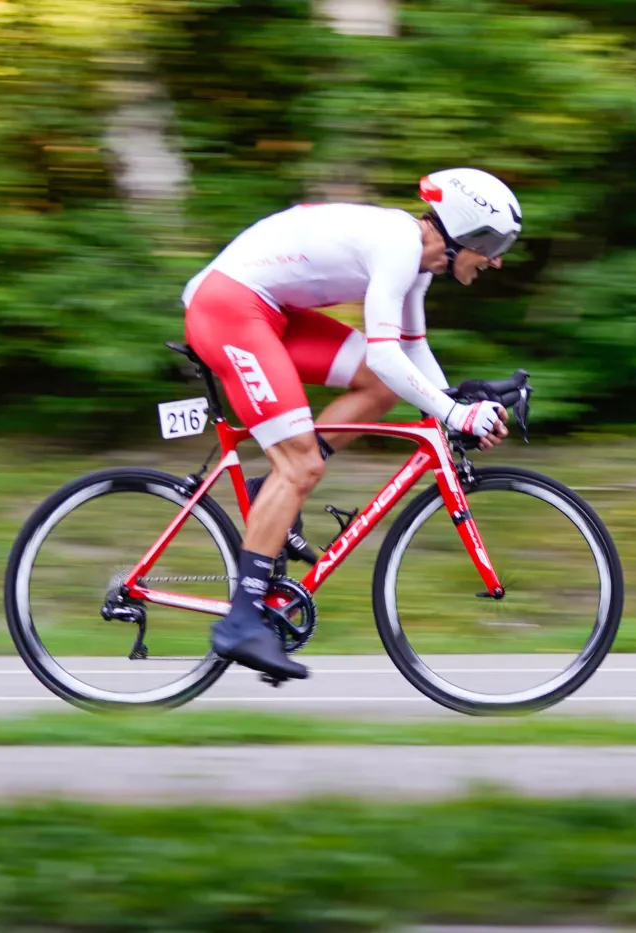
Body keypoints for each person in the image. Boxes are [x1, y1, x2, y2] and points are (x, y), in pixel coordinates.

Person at [181, 167, 523, 682]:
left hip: (269, 309)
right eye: (493, 244)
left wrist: (456, 402)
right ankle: (241, 621)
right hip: (230, 306)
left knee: (378, 391)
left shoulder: (417, 264)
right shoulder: (398, 245)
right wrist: (453, 413)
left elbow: (408, 351)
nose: (497, 261)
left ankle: (269, 490)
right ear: (463, 232)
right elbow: (389, 355)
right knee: (300, 466)